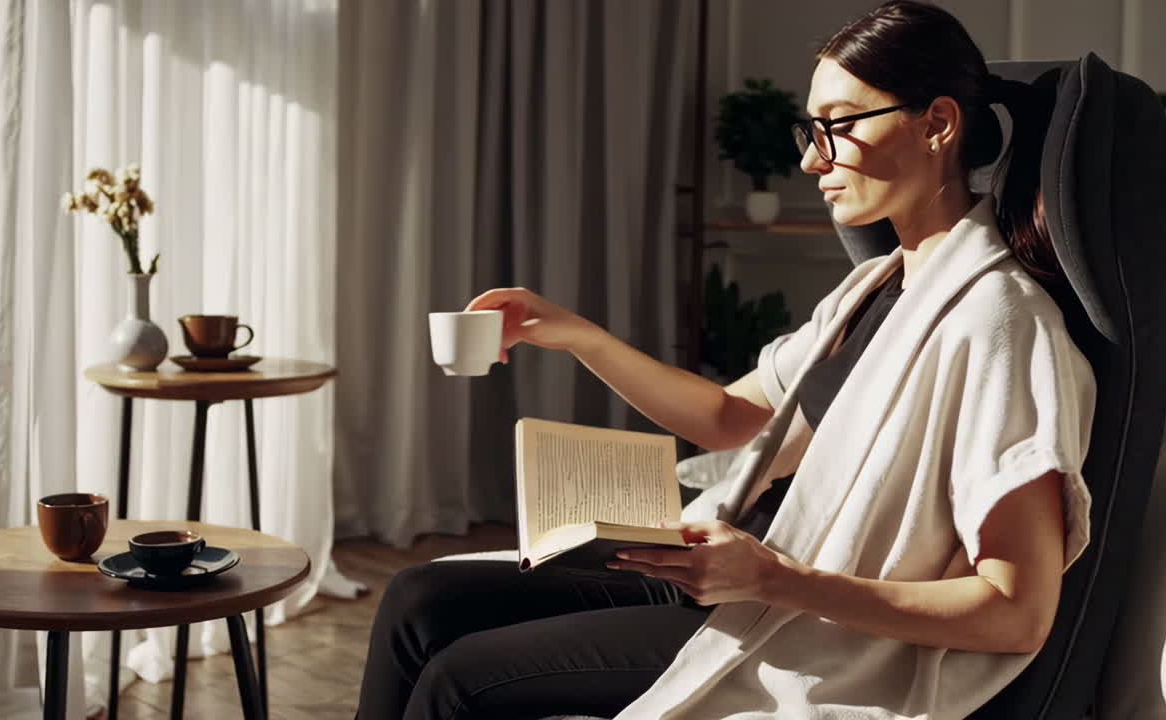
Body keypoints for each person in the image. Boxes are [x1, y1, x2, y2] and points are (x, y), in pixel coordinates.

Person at [356, 2, 1097, 718]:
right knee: (419, 601)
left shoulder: (999, 325)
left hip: (801, 616)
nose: (811, 159)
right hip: (740, 573)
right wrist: (575, 333)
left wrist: (776, 579)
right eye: (810, 130)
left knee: (459, 682)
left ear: (937, 124)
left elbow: (1016, 613)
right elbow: (729, 417)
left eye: (838, 126)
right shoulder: (877, 287)